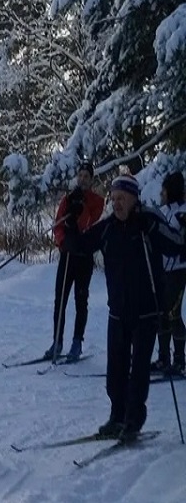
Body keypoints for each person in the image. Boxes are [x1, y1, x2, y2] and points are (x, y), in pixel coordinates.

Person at [63, 174, 185, 441]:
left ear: (133, 199)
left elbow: (177, 245)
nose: (116, 203)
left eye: (122, 198)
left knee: (139, 371)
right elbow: (77, 246)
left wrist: (153, 228)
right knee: (115, 372)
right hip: (118, 311)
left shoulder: (148, 221)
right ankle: (117, 417)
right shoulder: (108, 228)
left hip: (146, 311)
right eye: (114, 198)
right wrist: (71, 220)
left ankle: (132, 421)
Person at [47, 160, 105, 361]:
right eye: (80, 175)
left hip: (84, 256)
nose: (82, 179)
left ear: (91, 179)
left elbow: (90, 223)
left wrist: (81, 209)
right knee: (60, 299)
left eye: (86, 176)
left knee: (81, 300)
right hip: (68, 254)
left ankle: (77, 342)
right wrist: (62, 241)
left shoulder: (97, 201)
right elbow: (58, 224)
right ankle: (57, 341)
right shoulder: (68, 198)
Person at [154, 172, 185, 375]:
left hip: (179, 270)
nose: (161, 194)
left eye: (164, 190)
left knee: (173, 313)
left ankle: (180, 360)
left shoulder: (183, 212)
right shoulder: (164, 211)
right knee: (161, 313)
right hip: (164, 269)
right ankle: (163, 358)